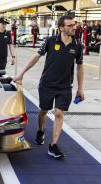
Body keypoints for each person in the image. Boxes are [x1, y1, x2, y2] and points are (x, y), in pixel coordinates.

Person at [13, 15, 84, 159]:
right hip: (47, 84)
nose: (73, 27)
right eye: (70, 25)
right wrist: (21, 74)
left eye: (74, 25)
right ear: (61, 28)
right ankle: (40, 130)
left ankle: (53, 146)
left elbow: (80, 66)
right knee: (43, 111)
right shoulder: (50, 41)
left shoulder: (77, 45)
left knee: (59, 113)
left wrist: (80, 88)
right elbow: (36, 57)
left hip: (65, 86)